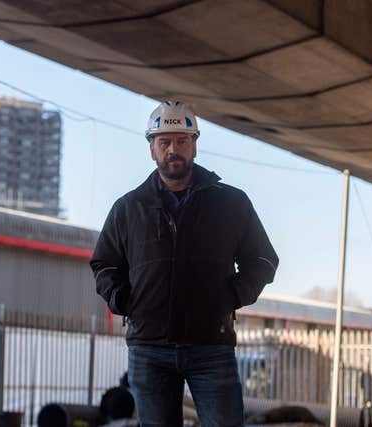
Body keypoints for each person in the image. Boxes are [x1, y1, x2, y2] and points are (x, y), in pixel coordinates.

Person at [90, 101, 279, 427]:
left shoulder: (231, 203)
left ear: (194, 145)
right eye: (164, 142)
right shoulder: (128, 208)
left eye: (181, 141)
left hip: (211, 347)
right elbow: (104, 264)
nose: (172, 150)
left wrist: (231, 296)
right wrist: (124, 300)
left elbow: (262, 259)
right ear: (152, 149)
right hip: (149, 350)